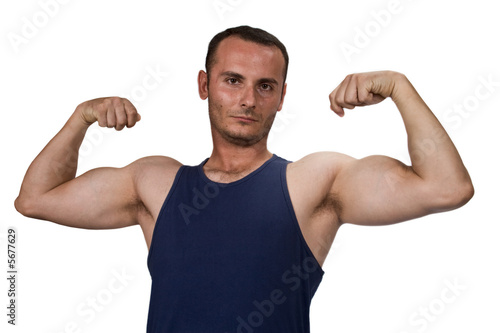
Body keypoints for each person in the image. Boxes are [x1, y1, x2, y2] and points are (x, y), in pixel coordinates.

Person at [14, 25, 474, 332]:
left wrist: (399, 86)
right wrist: (81, 118)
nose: (248, 99)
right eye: (232, 80)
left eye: (265, 86)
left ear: (281, 97)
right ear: (203, 85)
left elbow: (446, 187)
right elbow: (35, 199)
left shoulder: (312, 182)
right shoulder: (155, 183)